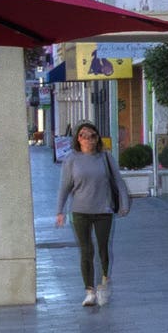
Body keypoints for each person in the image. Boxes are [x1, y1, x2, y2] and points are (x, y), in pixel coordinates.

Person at [54, 120, 130, 307]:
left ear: (97, 139)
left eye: (92, 136)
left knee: (103, 248)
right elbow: (64, 187)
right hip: (80, 212)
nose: (88, 139)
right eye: (83, 136)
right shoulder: (71, 159)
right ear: (78, 139)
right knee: (86, 250)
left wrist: (124, 203)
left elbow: (118, 181)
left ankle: (103, 283)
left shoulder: (105, 157)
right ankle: (89, 291)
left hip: (103, 210)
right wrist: (59, 211)